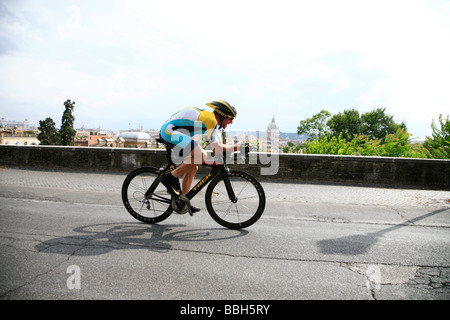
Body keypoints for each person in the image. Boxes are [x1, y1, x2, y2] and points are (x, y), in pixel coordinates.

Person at [159, 100, 241, 212]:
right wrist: (238, 147)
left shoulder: (217, 126)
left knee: (193, 166)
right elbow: (216, 148)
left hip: (179, 133)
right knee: (201, 155)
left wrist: (236, 151)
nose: (231, 122)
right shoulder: (211, 120)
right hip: (169, 131)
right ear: (222, 115)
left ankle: (183, 200)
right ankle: (169, 178)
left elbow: (220, 147)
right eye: (231, 118)